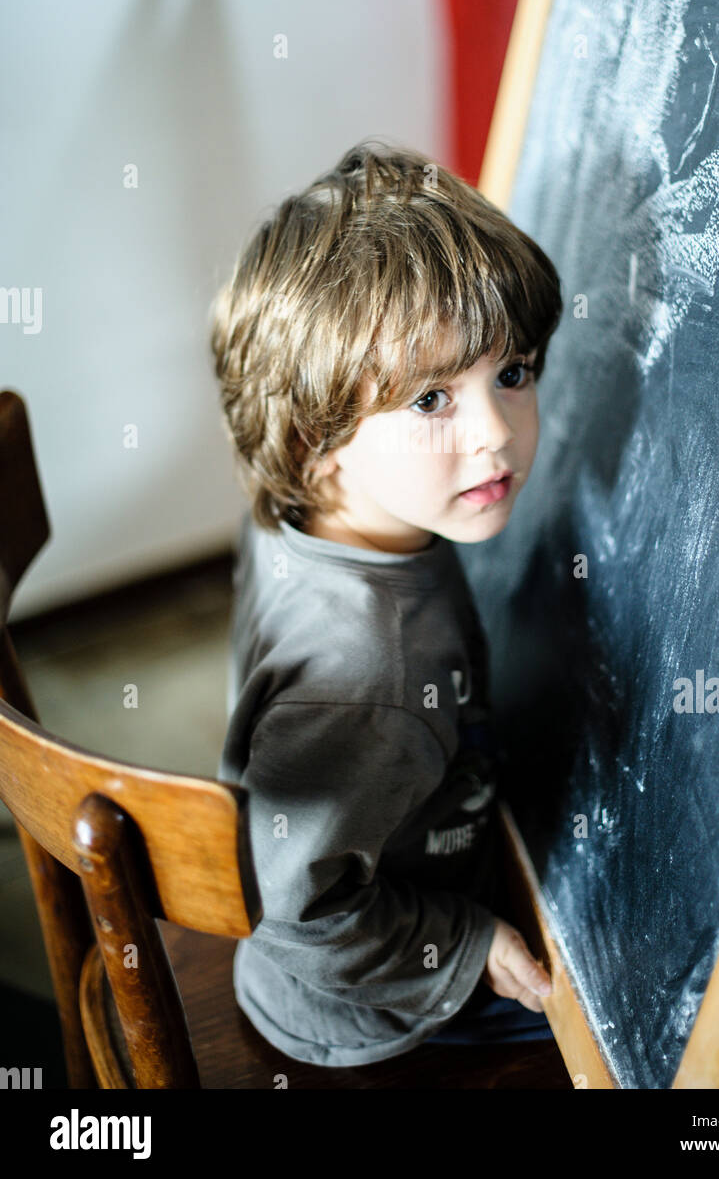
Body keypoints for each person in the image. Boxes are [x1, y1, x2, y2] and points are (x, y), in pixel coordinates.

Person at [208, 138, 564, 1066]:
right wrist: (471, 942)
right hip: (381, 1007)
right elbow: (303, 918)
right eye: (431, 399)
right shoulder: (366, 677)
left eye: (513, 373)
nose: (495, 433)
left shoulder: (312, 514)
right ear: (315, 439)